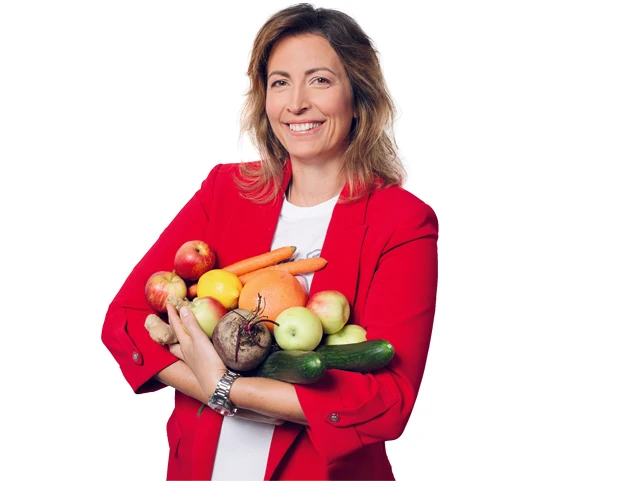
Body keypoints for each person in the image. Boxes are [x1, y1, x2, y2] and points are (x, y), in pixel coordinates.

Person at [102, 3, 438, 480]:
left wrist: (225, 387)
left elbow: (389, 400)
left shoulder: (402, 222)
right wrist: (212, 385)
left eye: (319, 80)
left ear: (358, 93)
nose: (296, 103)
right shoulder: (225, 191)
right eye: (280, 82)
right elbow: (126, 320)